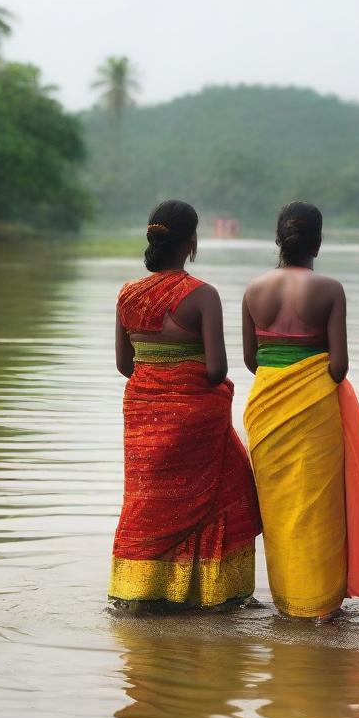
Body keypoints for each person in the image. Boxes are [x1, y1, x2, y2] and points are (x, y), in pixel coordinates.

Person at [109, 200, 261, 610]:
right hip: (194, 416)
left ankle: (141, 588)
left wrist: (158, 385)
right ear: (191, 242)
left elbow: (127, 365)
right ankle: (209, 593)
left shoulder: (127, 295)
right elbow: (216, 369)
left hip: (142, 414)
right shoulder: (202, 296)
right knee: (227, 487)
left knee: (148, 499)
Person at [242, 201, 359, 620]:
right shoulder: (329, 290)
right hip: (315, 406)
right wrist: (309, 370)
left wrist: (282, 371)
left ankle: (287, 603)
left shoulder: (253, 290)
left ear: (278, 239)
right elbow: (339, 366)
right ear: (318, 241)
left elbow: (252, 359)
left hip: (265, 406)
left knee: (280, 508)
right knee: (319, 507)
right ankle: (319, 605)